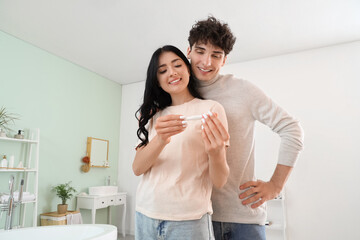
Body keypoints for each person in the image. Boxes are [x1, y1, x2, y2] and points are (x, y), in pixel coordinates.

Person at [186, 16, 304, 240]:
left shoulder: (243, 90)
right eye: (200, 51)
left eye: (216, 55)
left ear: (225, 59)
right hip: (192, 219)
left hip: (240, 220)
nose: (206, 62)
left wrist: (275, 186)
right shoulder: (178, 94)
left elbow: (292, 129)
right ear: (189, 50)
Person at [133, 45, 230, 240]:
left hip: (189, 218)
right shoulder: (154, 116)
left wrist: (216, 152)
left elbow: (219, 181)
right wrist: (160, 139)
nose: (172, 73)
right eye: (163, 70)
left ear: (187, 69)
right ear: (157, 80)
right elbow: (137, 168)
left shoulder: (210, 109)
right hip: (145, 212)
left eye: (177, 65)